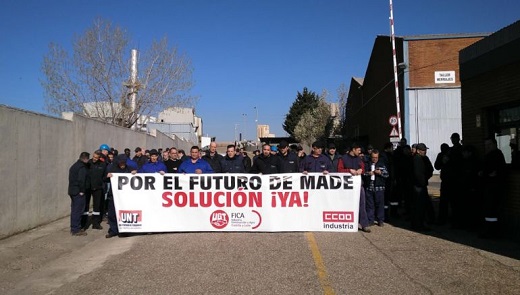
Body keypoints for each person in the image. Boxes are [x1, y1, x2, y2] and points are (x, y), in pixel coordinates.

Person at [338, 143, 370, 233]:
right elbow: (339, 170)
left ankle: (364, 224)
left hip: (358, 185)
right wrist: (349, 171)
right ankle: (346, 223)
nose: (360, 152)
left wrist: (361, 170)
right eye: (358, 150)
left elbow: (363, 168)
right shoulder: (343, 158)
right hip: (346, 186)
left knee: (362, 204)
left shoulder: (359, 159)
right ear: (353, 149)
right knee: (346, 204)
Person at [479, 138, 507, 239]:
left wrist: (485, 173)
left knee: (492, 211)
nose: (487, 147)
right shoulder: (489, 155)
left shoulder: (497, 155)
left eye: (489, 144)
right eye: (486, 145)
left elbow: (493, 172)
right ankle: (489, 230)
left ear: (495, 144)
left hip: (494, 188)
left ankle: (492, 232)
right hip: (489, 187)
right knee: (488, 211)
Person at [105, 154, 137, 238]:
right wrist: (107, 176)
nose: (122, 165)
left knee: (124, 213)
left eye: (123, 163)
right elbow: (103, 178)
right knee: (112, 214)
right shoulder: (112, 169)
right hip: (113, 195)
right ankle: (113, 230)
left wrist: (135, 173)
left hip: (125, 196)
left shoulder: (129, 168)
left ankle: (124, 230)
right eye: (121, 163)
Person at [411, 143, 434, 231]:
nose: (425, 152)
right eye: (423, 150)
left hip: (421, 185)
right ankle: (418, 224)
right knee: (419, 206)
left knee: (421, 206)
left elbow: (430, 169)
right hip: (418, 186)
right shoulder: (417, 159)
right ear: (418, 151)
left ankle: (419, 223)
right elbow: (417, 174)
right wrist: (422, 182)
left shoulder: (423, 158)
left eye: (425, 150)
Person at [82, 150, 107, 230]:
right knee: (86, 206)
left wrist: (107, 176)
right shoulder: (87, 163)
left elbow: (104, 176)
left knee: (97, 206)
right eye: (93, 157)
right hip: (88, 188)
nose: (94, 159)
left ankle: (96, 223)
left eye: (96, 157)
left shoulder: (103, 165)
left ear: (99, 157)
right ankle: (84, 223)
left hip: (98, 188)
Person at [364, 149, 389, 227]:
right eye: (373, 157)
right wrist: (368, 173)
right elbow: (363, 173)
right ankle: (370, 220)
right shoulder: (367, 164)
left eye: (376, 157)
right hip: (369, 187)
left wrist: (380, 173)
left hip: (379, 187)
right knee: (370, 205)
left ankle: (380, 220)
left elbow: (387, 174)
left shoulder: (381, 164)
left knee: (380, 205)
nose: (374, 159)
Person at [68, 152, 90, 236]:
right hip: (78, 192)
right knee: (78, 210)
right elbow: (81, 180)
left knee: (74, 210)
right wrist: (82, 191)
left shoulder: (74, 166)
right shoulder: (82, 168)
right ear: (86, 159)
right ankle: (76, 229)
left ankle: (74, 227)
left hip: (72, 191)